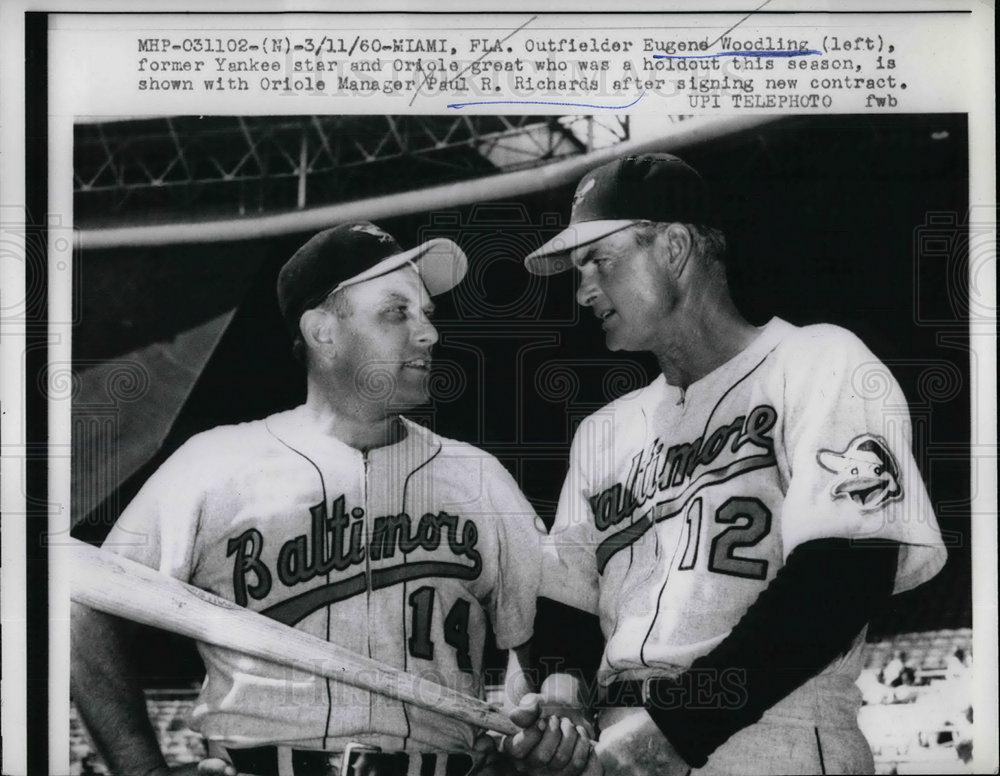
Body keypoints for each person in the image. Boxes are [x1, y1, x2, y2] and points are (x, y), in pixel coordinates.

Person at [72, 222, 584, 776]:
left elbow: (561, 623)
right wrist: (141, 768)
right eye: (397, 312)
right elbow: (84, 605)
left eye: (427, 314)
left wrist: (555, 703)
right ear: (323, 331)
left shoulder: (477, 477)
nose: (428, 334)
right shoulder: (214, 463)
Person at [504, 153, 947, 775]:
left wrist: (674, 731)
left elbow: (842, 580)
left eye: (599, 261)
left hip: (773, 733)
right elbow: (570, 604)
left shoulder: (817, 361)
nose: (583, 291)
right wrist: (565, 704)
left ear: (676, 247)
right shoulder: (602, 432)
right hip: (623, 739)